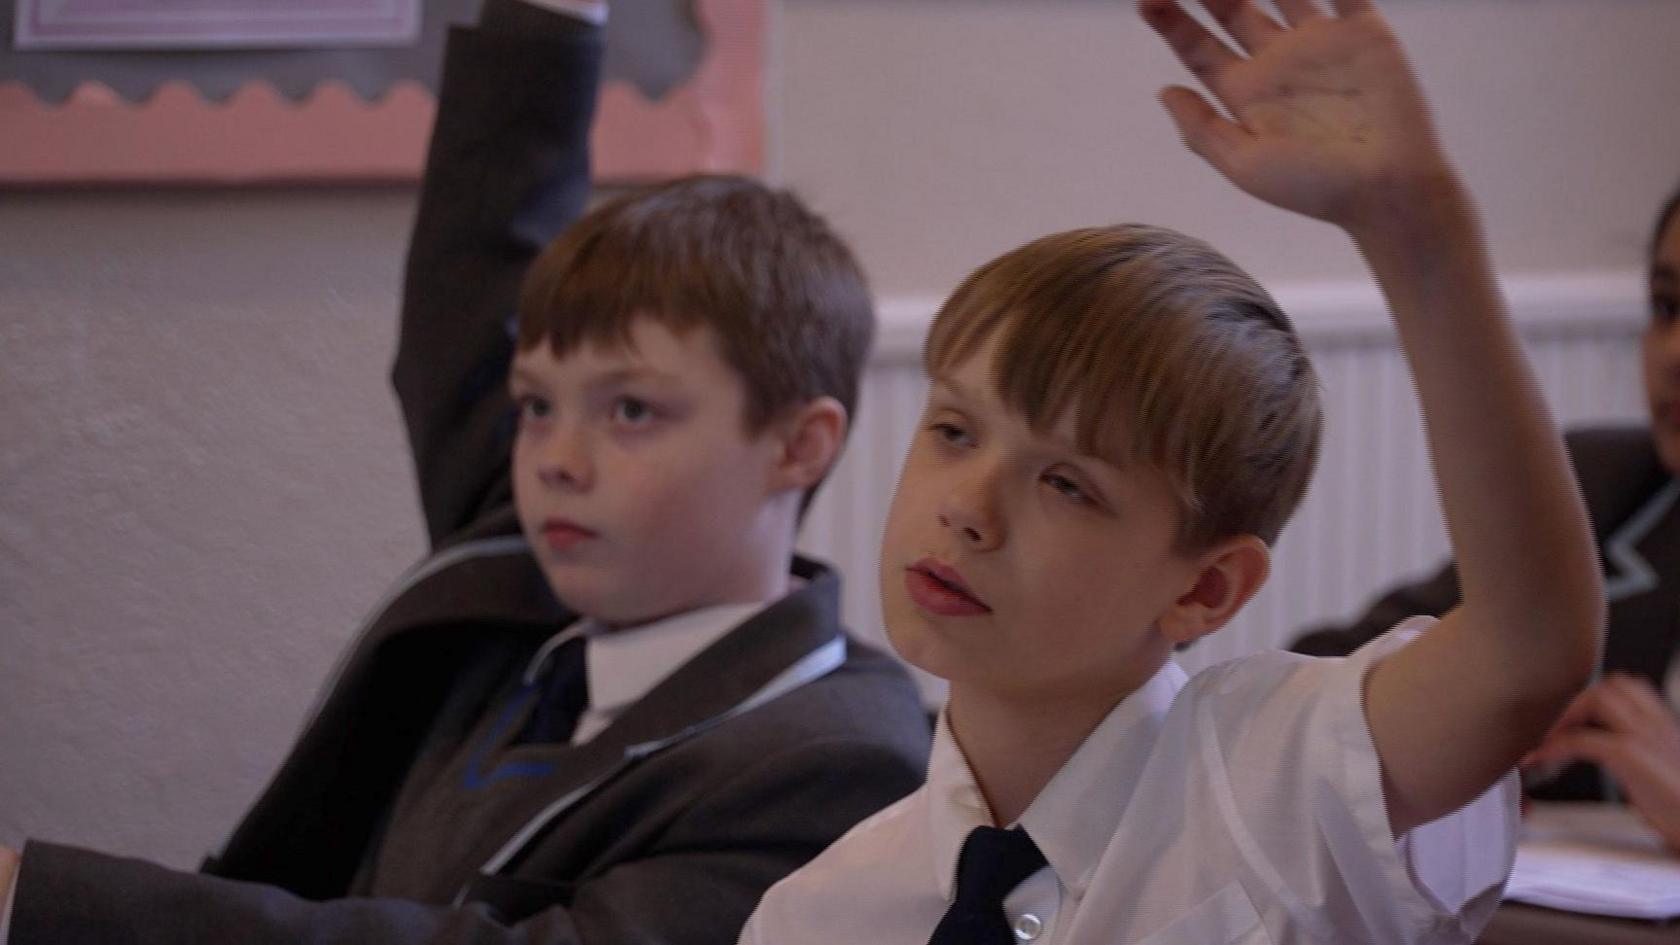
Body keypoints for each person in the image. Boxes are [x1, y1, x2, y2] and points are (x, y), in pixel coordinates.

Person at [0, 1, 929, 941]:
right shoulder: (533, 578)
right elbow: (478, 258)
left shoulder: (835, 759)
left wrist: (32, 904)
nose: (557, 462)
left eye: (633, 410)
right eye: (535, 406)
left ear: (797, 444)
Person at [739, 0, 1605, 942]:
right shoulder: (819, 912)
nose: (969, 512)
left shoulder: (1282, 776)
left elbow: (1530, 650)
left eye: (1067, 484)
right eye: (954, 431)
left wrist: (1419, 231)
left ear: (1205, 586)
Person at [1294, 187, 1680, 837]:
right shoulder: (1608, 488)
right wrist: (1459, 727)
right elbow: (1327, 674)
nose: (1672, 354)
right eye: (1667, 306)